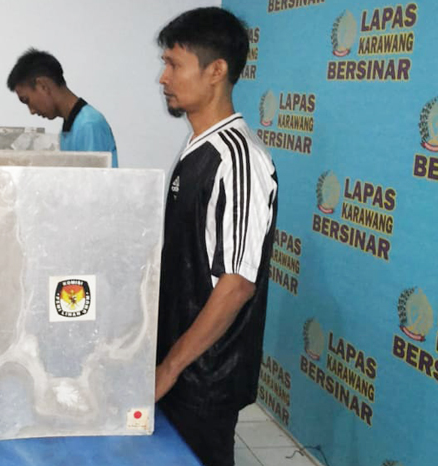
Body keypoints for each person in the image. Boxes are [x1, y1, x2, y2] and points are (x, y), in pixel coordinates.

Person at [154, 7, 278, 466]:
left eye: (174, 64)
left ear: (216, 71)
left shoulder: (238, 159)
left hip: (204, 376)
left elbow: (237, 284)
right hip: (180, 363)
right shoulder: (199, 148)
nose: (163, 78)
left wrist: (171, 368)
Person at [7, 48, 118, 167]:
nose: (31, 111)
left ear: (43, 86)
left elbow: (94, 177)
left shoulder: (89, 125)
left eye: (26, 100)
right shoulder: (69, 128)